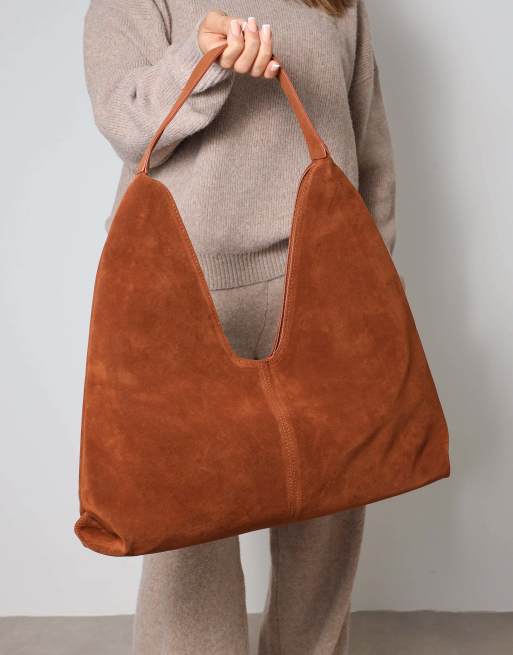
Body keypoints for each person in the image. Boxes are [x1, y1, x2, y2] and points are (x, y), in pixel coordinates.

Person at [83, 1, 396, 652]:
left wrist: (373, 274)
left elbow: (366, 137)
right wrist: (200, 62)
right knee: (185, 527)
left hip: (324, 281)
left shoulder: (336, 2)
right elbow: (124, 118)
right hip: (184, 288)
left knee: (330, 514)